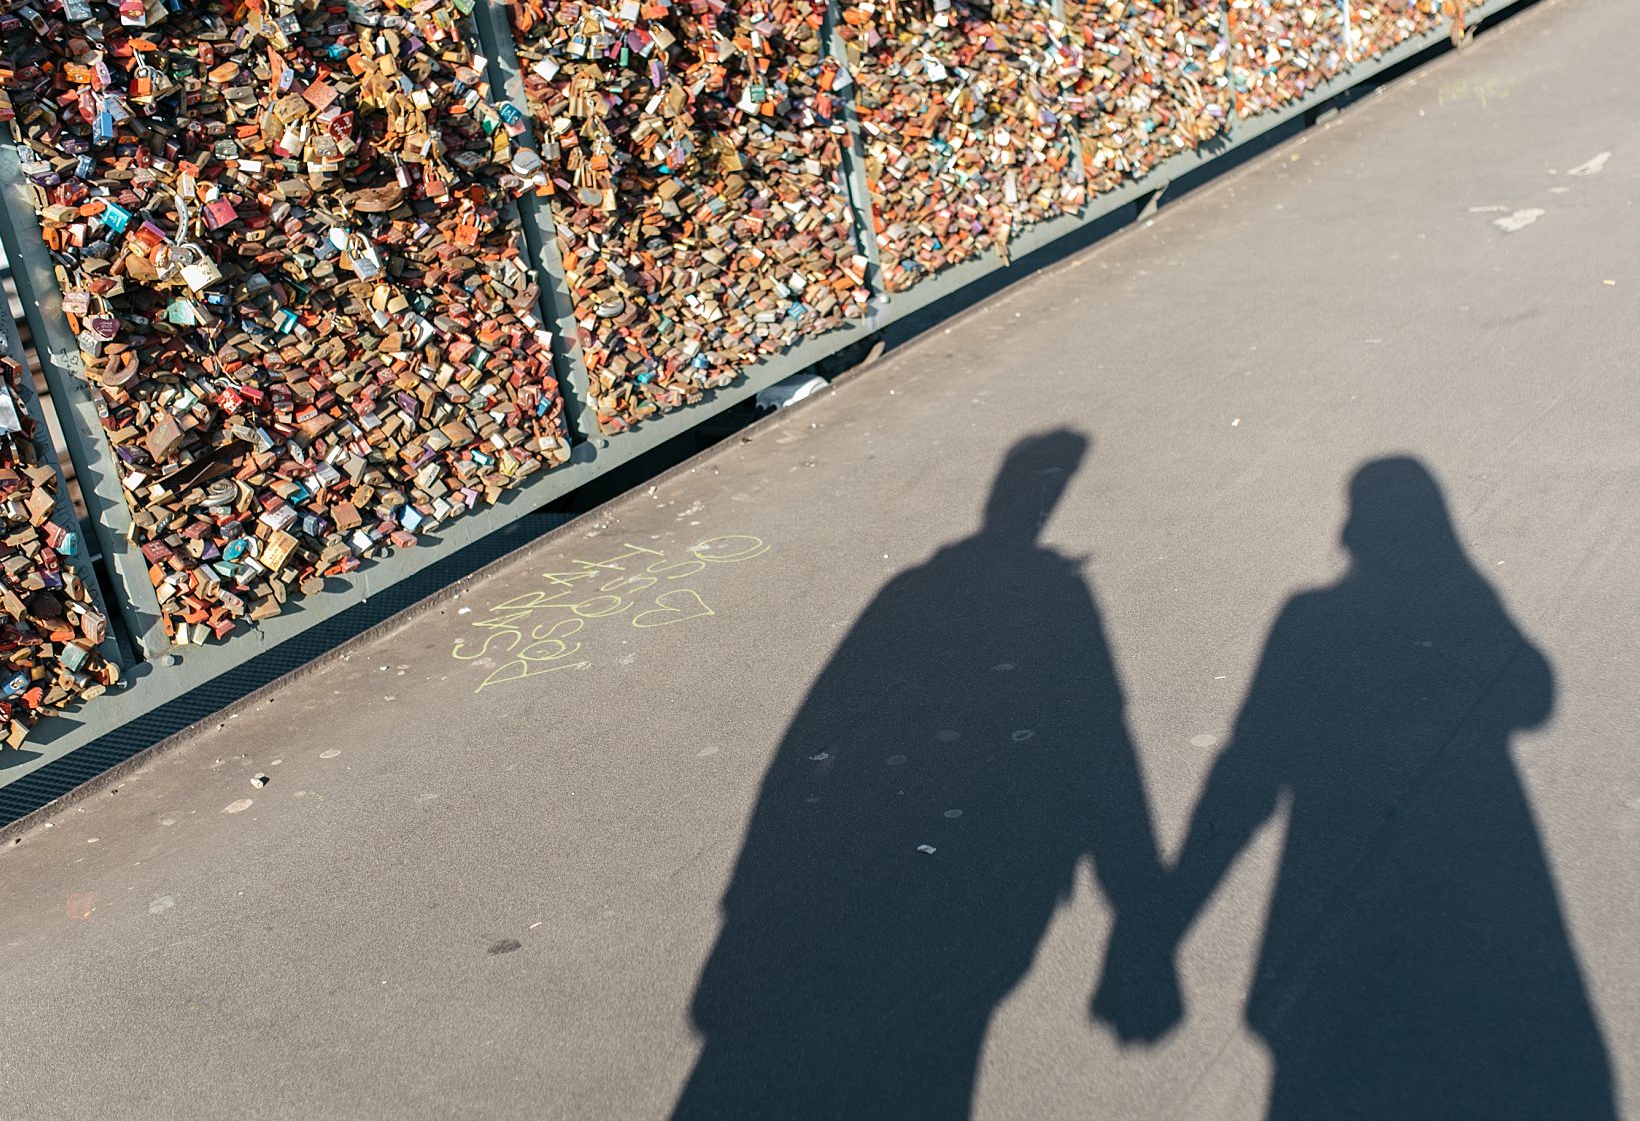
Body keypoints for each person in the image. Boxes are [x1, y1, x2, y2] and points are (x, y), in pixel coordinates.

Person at [675, 430, 1178, 1121]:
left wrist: (751, 896)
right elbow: (1104, 740)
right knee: (923, 1060)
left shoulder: (916, 589)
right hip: (971, 899)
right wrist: (1138, 915)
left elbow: (812, 738)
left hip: (891, 886)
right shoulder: (1053, 593)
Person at [1102, 458, 1614, 1119]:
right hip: (1480, 884)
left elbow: (1246, 778)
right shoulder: (1461, 597)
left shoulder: (1308, 618)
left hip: (1333, 877)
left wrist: (1163, 926)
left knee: (1337, 1065)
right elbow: (1534, 694)